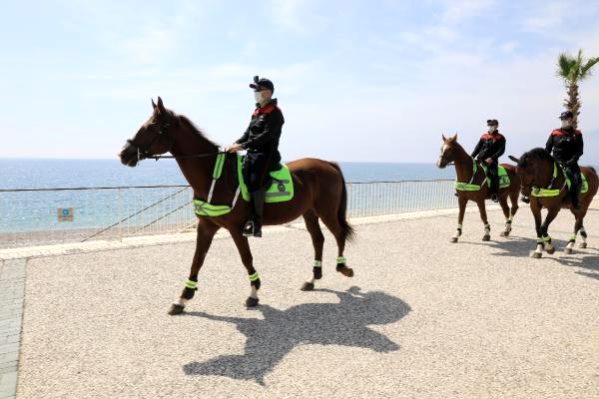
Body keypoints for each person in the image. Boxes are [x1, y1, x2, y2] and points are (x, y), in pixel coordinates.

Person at [228, 76, 285, 237]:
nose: (256, 93)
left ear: (268, 93)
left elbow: (266, 136)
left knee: (254, 182)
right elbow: (247, 133)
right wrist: (235, 144)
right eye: (255, 90)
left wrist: (243, 146)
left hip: (267, 155)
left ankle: (256, 224)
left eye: (258, 90)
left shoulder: (276, 113)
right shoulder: (257, 111)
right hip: (252, 153)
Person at [545, 110, 584, 209]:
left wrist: (571, 161)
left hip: (571, 163)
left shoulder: (577, 134)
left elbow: (579, 151)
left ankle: (575, 201)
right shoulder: (555, 133)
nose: (563, 120)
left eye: (565, 119)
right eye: (562, 119)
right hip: (555, 162)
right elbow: (548, 149)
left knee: (577, 179)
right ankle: (529, 197)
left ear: (571, 120)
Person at [471, 119, 505, 202]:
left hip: (491, 161)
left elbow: (501, 151)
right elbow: (477, 148)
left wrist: (492, 158)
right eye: (489, 126)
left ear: (496, 126)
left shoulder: (500, 138)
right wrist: (472, 156)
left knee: (493, 174)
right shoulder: (484, 136)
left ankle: (495, 194)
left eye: (492, 126)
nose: (490, 127)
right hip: (480, 160)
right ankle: (464, 191)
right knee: (470, 171)